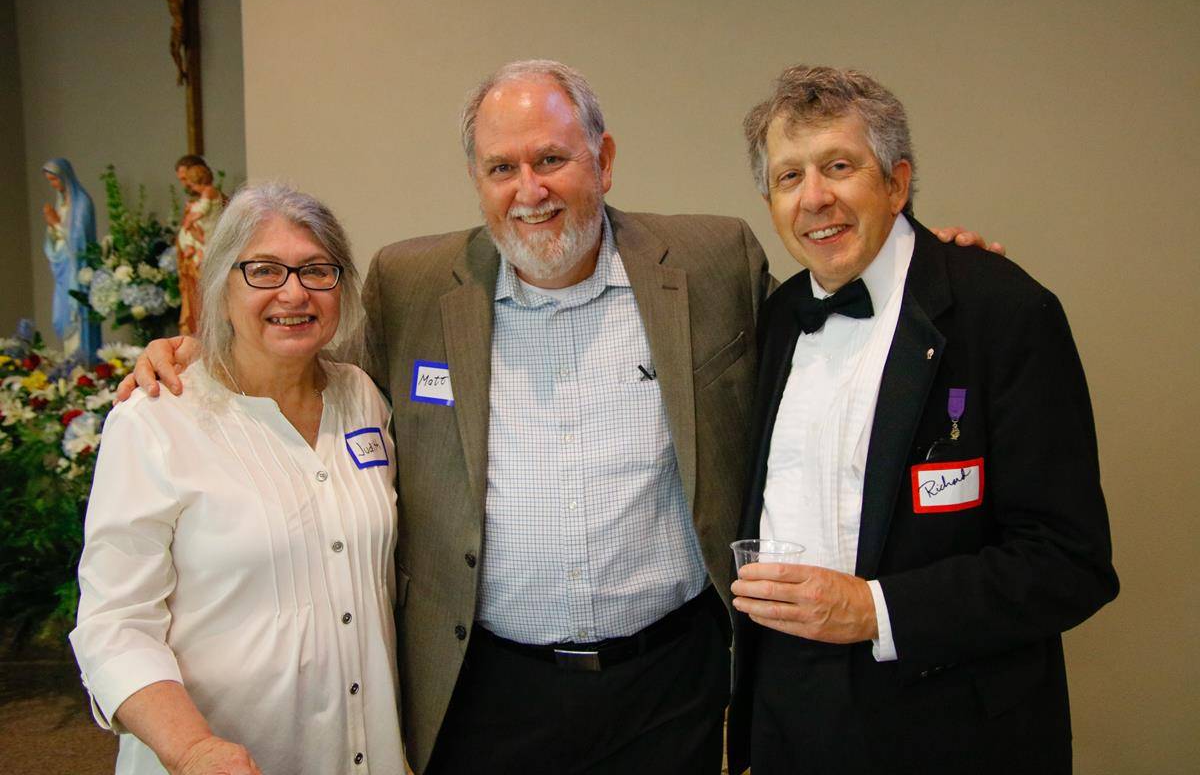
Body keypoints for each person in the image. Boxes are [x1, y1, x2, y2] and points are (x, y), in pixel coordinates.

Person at [123, 60, 994, 774]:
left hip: (669, 684)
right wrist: (196, 348)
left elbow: (825, 333)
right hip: (486, 686)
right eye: (502, 168)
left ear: (603, 161)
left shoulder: (713, 258)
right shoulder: (411, 284)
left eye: (553, 160)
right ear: (477, 180)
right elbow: (300, 338)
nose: (528, 190)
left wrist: (917, 260)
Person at [727, 65, 1119, 775]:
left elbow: (1070, 562)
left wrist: (876, 611)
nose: (814, 198)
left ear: (897, 183)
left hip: (948, 728)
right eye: (789, 177)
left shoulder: (1003, 312)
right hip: (790, 719)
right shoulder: (778, 319)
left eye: (838, 166)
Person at [70, 183, 405, 774]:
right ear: (221, 286)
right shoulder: (157, 419)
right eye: (263, 271)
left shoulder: (363, 397)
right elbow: (114, 626)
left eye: (316, 271)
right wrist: (193, 749)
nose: (293, 292)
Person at [41, 157, 101, 361]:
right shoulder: (61, 204)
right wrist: (52, 227)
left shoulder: (82, 203)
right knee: (63, 316)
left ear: (65, 177)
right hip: (63, 271)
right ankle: (71, 366)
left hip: (77, 271)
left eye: (55, 180)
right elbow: (56, 241)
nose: (53, 185)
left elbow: (79, 240)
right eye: (50, 181)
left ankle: (83, 363)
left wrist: (56, 224)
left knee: (79, 318)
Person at [176, 162, 225, 335]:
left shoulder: (209, 191)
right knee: (185, 234)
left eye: (191, 183)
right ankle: (190, 247)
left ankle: (192, 248)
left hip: (208, 236)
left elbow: (203, 210)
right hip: (201, 235)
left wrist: (190, 217)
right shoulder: (202, 195)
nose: (189, 187)